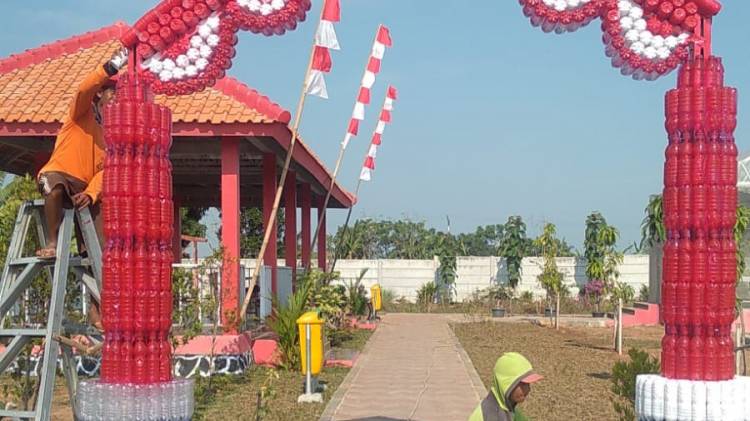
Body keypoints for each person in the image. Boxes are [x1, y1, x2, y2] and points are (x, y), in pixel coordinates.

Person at [35, 47, 128, 330]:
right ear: (100, 95)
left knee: (99, 249)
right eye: (111, 94)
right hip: (62, 174)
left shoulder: (109, 136)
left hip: (85, 189)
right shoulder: (80, 113)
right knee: (53, 185)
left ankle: (96, 310)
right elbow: (84, 88)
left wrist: (91, 193)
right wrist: (109, 69)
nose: (115, 100)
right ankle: (52, 242)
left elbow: (104, 173)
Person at [469, 352, 543, 421]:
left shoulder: (509, 408)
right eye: (523, 384)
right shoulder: (490, 416)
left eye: (528, 384)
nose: (528, 389)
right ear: (506, 384)